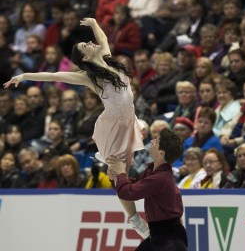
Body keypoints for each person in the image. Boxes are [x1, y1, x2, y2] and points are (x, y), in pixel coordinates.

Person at [3, 17, 148, 238]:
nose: (90, 43)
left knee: (123, 173)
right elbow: (53, 76)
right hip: (113, 127)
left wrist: (93, 23)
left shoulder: (108, 59)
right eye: (85, 46)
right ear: (85, 58)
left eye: (87, 42)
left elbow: (102, 37)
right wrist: (24, 76)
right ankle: (134, 218)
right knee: (120, 177)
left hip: (129, 121)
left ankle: (118, 176)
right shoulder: (88, 77)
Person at [107, 128, 188, 251]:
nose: (152, 140)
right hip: (158, 237)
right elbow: (128, 186)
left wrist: (120, 172)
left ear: (161, 153)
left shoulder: (160, 178)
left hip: (171, 241)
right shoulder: (152, 172)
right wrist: (115, 177)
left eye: (157, 140)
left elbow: (127, 192)